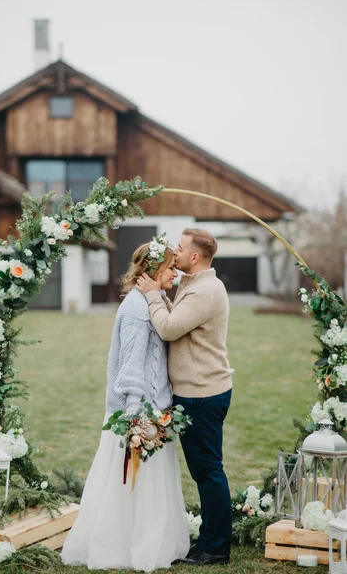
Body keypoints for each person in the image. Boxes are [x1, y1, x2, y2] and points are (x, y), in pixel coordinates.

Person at [61, 235, 190, 572]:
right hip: (137, 411)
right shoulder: (136, 309)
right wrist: (135, 416)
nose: (176, 273)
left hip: (154, 406)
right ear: (154, 269)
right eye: (171, 267)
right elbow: (132, 366)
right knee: (130, 484)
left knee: (151, 484)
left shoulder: (153, 300)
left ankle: (153, 538)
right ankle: (122, 545)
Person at [136, 228, 233, 566]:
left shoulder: (204, 291)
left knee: (208, 471)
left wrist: (151, 294)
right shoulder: (193, 285)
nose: (173, 252)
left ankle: (216, 548)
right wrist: (161, 294)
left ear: (194, 257)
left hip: (202, 394)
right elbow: (176, 318)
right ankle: (212, 539)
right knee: (205, 470)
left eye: (179, 247)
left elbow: (168, 328)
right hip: (198, 391)